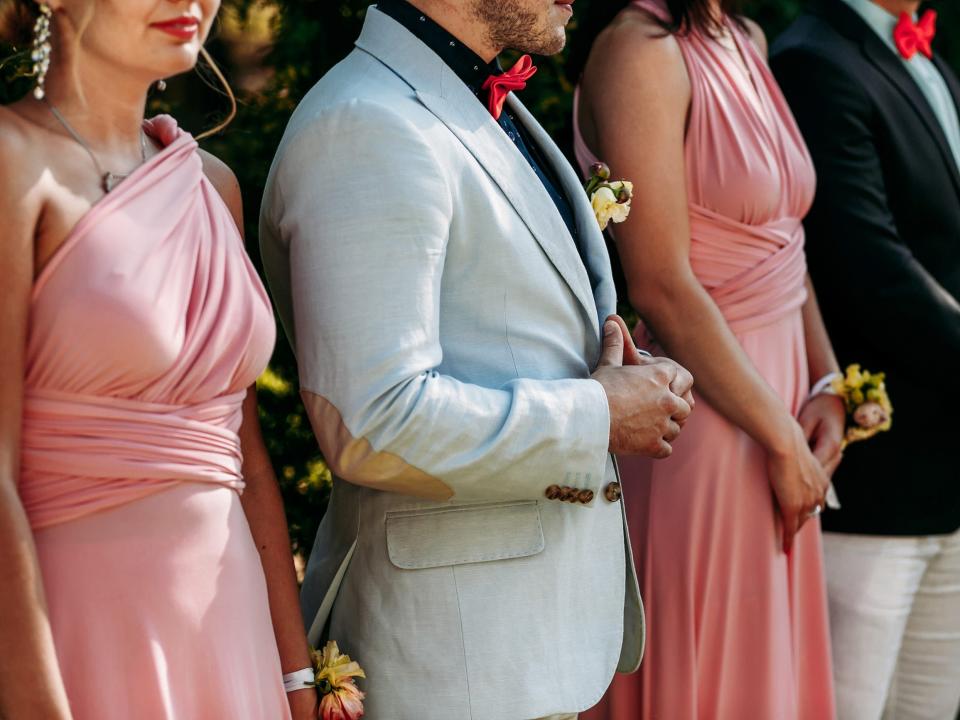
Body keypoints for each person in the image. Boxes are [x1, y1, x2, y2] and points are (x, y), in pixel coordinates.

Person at [259, 0, 697, 717]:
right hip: (451, 664)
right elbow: (374, 422)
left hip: (519, 649)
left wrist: (625, 377)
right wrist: (599, 413)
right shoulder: (367, 124)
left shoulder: (474, 100)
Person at [0, 1, 315, 718]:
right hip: (78, 638)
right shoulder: (10, 163)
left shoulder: (212, 183)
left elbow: (246, 459)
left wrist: (300, 683)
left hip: (231, 641)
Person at [573, 1, 843, 718]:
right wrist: (782, 441)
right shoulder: (639, 52)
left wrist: (827, 378)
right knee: (711, 677)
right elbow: (660, 284)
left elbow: (784, 241)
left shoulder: (744, 37)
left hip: (779, 408)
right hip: (709, 417)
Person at [772, 1, 960, 717]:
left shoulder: (927, 59)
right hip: (873, 477)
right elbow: (870, 268)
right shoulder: (813, 60)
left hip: (947, 478)